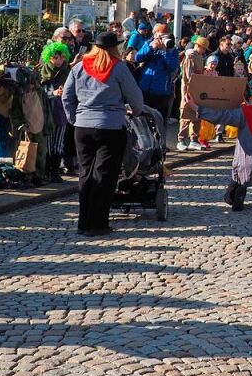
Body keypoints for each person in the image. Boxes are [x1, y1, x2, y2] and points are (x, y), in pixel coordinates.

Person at [61, 31, 146, 236]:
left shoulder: (79, 67)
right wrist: (136, 111)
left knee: (85, 174)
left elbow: (66, 97)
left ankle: (83, 222)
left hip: (83, 127)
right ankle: (98, 223)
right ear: (113, 48)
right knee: (104, 176)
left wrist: (75, 119)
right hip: (110, 126)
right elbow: (135, 97)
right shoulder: (119, 68)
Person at [191, 80, 252, 211]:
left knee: (234, 186)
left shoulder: (245, 113)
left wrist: (197, 108)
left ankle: (237, 193)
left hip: (246, 166)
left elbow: (221, 116)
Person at [39, 41, 71, 180]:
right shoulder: (43, 71)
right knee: (48, 142)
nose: (59, 60)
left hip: (61, 111)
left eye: (61, 57)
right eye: (55, 57)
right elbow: (38, 92)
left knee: (58, 142)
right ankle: (46, 170)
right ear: (49, 57)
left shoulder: (67, 71)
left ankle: (55, 171)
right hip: (46, 111)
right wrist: (53, 93)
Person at [135, 32, 179, 120]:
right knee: (143, 119)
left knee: (158, 119)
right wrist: (151, 48)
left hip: (161, 91)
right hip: (144, 88)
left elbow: (173, 66)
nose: (162, 40)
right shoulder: (149, 44)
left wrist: (164, 51)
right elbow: (138, 58)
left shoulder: (173, 50)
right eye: (160, 37)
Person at [176, 36, 210, 152]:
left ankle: (193, 140)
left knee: (196, 115)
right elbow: (190, 76)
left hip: (197, 89)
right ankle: (181, 140)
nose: (204, 51)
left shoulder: (199, 57)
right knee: (186, 115)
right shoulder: (191, 57)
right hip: (189, 89)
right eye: (204, 48)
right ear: (198, 46)